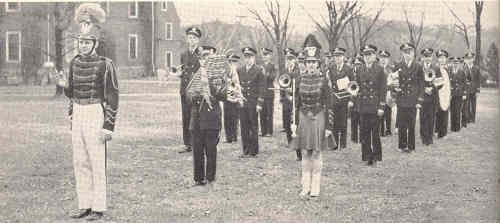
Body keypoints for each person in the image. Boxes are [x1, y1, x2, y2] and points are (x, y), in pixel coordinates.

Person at [57, 3, 119, 221]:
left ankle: (98, 207)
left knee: (96, 161)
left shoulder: (106, 64)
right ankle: (84, 204)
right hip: (79, 114)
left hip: (95, 112)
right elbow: (72, 93)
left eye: (86, 42)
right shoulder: (73, 63)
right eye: (81, 42)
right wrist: (65, 85)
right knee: (79, 161)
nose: (82, 46)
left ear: (95, 43)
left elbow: (112, 96)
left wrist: (108, 126)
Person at [295, 34, 332, 198]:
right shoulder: (299, 79)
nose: (310, 65)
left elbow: (329, 104)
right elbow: (296, 104)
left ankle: (316, 187)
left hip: (318, 118)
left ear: (318, 64)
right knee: (304, 152)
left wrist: (329, 127)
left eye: (313, 62)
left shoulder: (324, 80)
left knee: (316, 152)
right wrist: (294, 124)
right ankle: (305, 186)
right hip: (303, 118)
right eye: (308, 62)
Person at [185, 46, 227, 187]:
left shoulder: (218, 76)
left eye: (206, 56)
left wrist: (211, 92)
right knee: (197, 150)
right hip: (196, 118)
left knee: (211, 150)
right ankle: (198, 178)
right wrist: (197, 95)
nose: (204, 60)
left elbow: (223, 96)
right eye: (202, 57)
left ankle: (210, 177)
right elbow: (188, 97)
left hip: (211, 118)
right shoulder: (194, 76)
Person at [351, 44, 386, 165]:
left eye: (369, 54)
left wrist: (381, 106)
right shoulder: (359, 69)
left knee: (375, 133)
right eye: (365, 55)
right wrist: (354, 96)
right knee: (364, 133)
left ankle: (376, 157)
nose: (367, 57)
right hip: (363, 105)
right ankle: (366, 156)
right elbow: (357, 86)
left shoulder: (380, 69)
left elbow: (383, 89)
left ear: (374, 55)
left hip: (375, 106)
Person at [393, 43, 424, 153]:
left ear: (413, 53)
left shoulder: (418, 66)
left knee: (411, 124)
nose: (407, 55)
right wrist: (395, 89)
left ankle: (411, 146)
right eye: (405, 52)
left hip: (413, 100)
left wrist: (420, 100)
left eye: (409, 52)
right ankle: (402, 146)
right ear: (402, 54)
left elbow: (421, 84)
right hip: (401, 99)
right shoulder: (398, 65)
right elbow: (394, 81)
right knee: (401, 124)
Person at [177, 27, 202, 153]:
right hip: (184, 89)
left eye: (194, 38)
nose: (191, 40)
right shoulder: (184, 54)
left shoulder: (201, 54)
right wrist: (179, 73)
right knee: (185, 116)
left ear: (198, 40)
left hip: (196, 91)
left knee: (195, 117)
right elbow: (183, 71)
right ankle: (187, 143)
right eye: (190, 38)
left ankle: (195, 142)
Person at [237, 47, 266, 158]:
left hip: (253, 103)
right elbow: (236, 85)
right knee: (244, 126)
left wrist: (259, 103)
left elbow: (262, 88)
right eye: (246, 57)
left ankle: (254, 150)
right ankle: (245, 150)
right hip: (243, 102)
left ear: (254, 58)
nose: (248, 59)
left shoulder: (259, 70)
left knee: (253, 126)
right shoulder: (240, 70)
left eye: (250, 57)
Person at [328, 47, 353, 150]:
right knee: (334, 122)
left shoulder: (348, 69)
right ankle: (334, 144)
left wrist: (351, 100)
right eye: (336, 57)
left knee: (343, 122)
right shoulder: (331, 68)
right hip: (334, 98)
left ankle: (343, 144)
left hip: (344, 98)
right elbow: (329, 82)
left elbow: (352, 85)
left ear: (343, 57)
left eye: (339, 56)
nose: (337, 59)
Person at [281, 48, 302, 161]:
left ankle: (298, 151)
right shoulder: (285, 71)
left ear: (295, 60)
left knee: (295, 124)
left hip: (295, 101)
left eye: (291, 59)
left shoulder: (298, 71)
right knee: (287, 124)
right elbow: (281, 83)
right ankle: (291, 143)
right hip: (286, 101)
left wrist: (292, 91)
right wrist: (283, 96)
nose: (289, 61)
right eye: (287, 59)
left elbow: (299, 85)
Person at [419, 48, 438, 146]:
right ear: (423, 57)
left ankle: (430, 138)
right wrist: (424, 89)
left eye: (429, 56)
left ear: (432, 57)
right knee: (423, 117)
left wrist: (433, 88)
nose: (427, 58)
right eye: (425, 56)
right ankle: (423, 137)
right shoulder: (419, 68)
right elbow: (417, 82)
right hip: (422, 97)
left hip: (432, 97)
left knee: (431, 118)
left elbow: (440, 82)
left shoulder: (436, 68)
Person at [259, 48, 277, 137]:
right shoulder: (260, 66)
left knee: (269, 113)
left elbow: (273, 77)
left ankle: (269, 131)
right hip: (261, 92)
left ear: (270, 56)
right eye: (263, 55)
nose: (265, 57)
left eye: (266, 55)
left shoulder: (272, 66)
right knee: (262, 113)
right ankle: (263, 131)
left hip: (269, 93)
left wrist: (265, 73)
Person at [224, 54, 241, 143]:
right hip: (227, 97)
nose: (232, 64)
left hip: (236, 97)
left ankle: (234, 136)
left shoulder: (240, 71)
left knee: (234, 117)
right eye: (230, 62)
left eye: (234, 62)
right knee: (227, 117)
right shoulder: (226, 72)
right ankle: (228, 137)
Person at [434, 50, 451, 139]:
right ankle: (437, 131)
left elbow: (449, 83)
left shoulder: (448, 70)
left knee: (445, 113)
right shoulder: (435, 69)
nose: (442, 60)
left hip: (446, 94)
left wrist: (449, 94)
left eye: (443, 58)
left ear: (446, 59)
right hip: (438, 94)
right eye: (440, 58)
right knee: (438, 113)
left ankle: (443, 133)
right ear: (438, 59)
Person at [449, 57, 467, 132]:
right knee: (452, 111)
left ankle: (457, 128)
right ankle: (452, 127)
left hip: (459, 94)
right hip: (452, 94)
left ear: (459, 64)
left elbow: (464, 83)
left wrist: (464, 94)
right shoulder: (450, 72)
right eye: (454, 63)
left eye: (456, 63)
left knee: (457, 111)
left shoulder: (462, 72)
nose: (455, 64)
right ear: (452, 63)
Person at [378, 50, 394, 137]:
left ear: (388, 59)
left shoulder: (391, 69)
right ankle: (381, 130)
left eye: (385, 58)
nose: (383, 60)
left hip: (388, 93)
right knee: (380, 111)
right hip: (380, 93)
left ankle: (388, 129)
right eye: (382, 58)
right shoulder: (377, 68)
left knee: (388, 111)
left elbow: (394, 82)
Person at [350, 55, 364, 144]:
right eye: (355, 64)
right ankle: (354, 138)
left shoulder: (363, 73)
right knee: (353, 120)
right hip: (354, 101)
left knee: (362, 121)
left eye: (359, 64)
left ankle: (362, 138)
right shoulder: (352, 75)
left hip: (362, 101)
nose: (356, 66)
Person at [463, 52, 480, 124]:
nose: (470, 60)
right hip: (466, 89)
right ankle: (467, 118)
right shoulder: (464, 68)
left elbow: (478, 80)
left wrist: (477, 91)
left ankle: (473, 118)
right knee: (466, 104)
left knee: (473, 104)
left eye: (471, 58)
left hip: (473, 89)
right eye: (468, 59)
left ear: (473, 59)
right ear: (466, 59)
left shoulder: (476, 68)